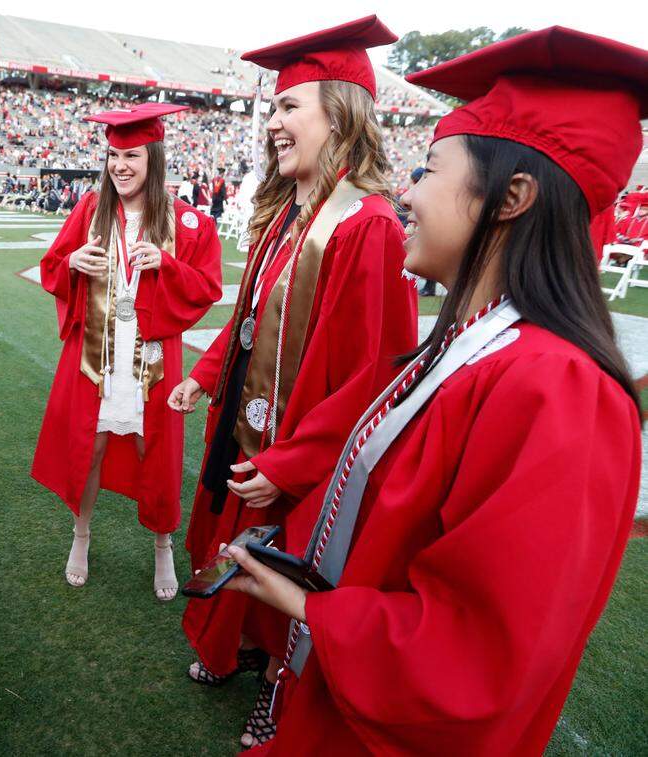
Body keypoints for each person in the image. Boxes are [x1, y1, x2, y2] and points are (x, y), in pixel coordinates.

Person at [224, 26, 644, 754]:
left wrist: (312, 610)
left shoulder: (559, 389)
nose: (405, 191)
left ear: (511, 196)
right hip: (337, 694)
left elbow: (482, 655)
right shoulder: (466, 347)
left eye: (428, 169)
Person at [166, 15, 418, 747]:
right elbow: (249, 324)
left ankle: (278, 685)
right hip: (249, 418)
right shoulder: (289, 214)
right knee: (233, 539)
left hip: (305, 449)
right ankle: (234, 644)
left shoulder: (366, 226)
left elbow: (374, 375)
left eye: (288, 108)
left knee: (289, 568)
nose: (272, 123)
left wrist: (290, 461)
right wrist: (206, 373)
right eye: (273, 108)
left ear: (339, 116)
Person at [32, 103, 223, 600]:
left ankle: (162, 546)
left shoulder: (189, 222)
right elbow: (51, 267)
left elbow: (207, 288)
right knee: (90, 449)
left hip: (153, 360)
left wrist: (166, 264)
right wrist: (72, 262)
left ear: (153, 158)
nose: (120, 165)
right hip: (96, 356)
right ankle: (81, 536)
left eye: (132, 155)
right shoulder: (89, 210)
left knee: (154, 453)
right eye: (114, 155)